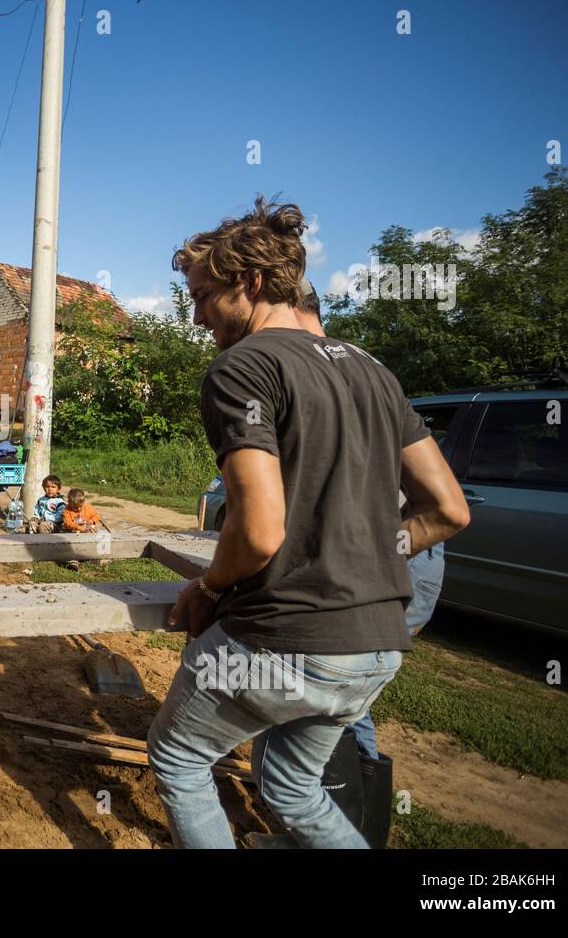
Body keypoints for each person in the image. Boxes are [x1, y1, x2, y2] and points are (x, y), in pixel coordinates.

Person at [145, 196, 470, 848]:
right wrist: (381, 546)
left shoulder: (243, 366)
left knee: (180, 758)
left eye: (205, 295)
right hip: (376, 645)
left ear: (254, 284)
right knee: (293, 788)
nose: (199, 313)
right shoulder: (375, 371)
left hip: (287, 640)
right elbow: (450, 509)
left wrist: (208, 589)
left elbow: (259, 531)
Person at [291, 278, 446, 760]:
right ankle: (350, 813)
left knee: (327, 692)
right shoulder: (364, 363)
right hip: (415, 550)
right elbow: (447, 506)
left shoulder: (303, 369)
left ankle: (332, 812)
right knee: (345, 701)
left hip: (379, 547)